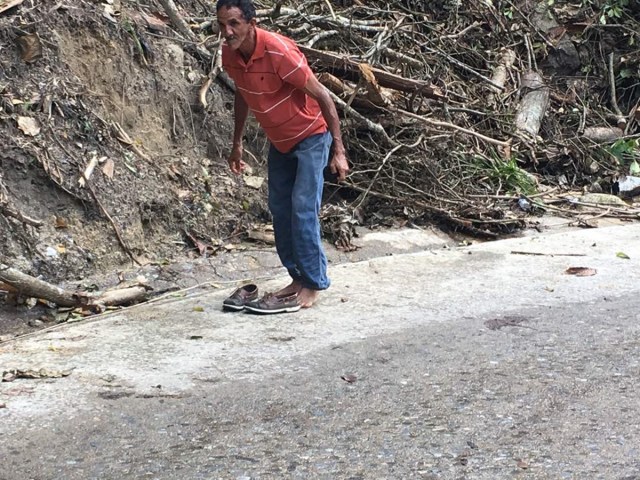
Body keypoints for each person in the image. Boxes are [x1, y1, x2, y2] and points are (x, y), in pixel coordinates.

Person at [216, 0, 349, 312]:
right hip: (281, 142)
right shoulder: (230, 54)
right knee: (280, 209)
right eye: (222, 24)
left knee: (303, 208)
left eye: (234, 23)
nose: (227, 31)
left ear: (252, 22)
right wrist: (236, 143)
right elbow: (242, 94)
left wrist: (338, 150)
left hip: (312, 137)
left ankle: (313, 285)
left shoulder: (277, 52)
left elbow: (324, 97)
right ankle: (297, 278)